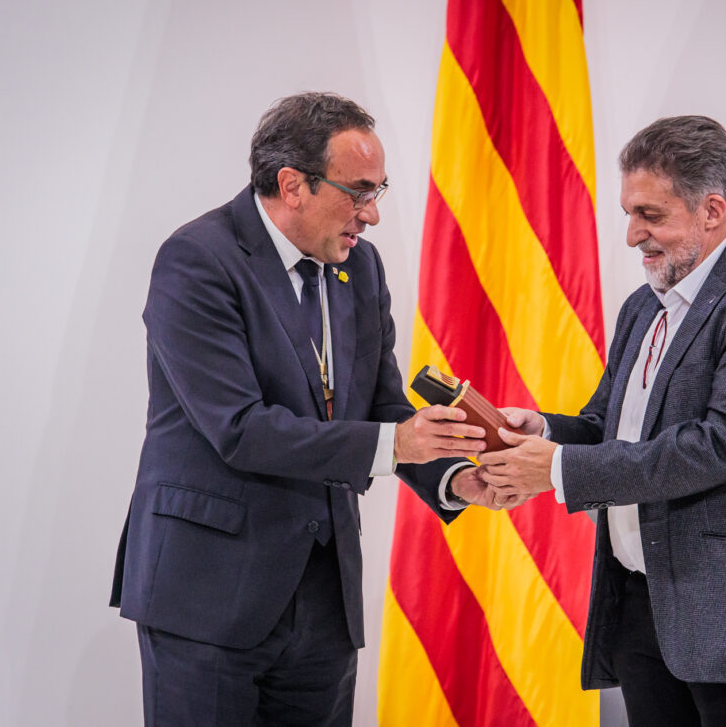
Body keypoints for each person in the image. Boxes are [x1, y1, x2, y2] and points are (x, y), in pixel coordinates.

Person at [109, 92, 503, 726]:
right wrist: (396, 446)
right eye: (359, 192)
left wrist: (455, 477)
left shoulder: (361, 269)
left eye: (380, 191)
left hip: (323, 600)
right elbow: (239, 429)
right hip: (208, 595)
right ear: (292, 185)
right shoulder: (197, 260)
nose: (372, 215)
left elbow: (379, 404)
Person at [480, 115, 726, 726]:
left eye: (650, 214)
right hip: (641, 602)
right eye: (629, 213)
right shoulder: (641, 306)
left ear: (711, 210)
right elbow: (610, 425)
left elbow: (718, 446)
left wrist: (561, 470)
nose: (631, 235)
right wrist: (544, 432)